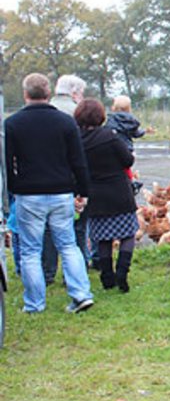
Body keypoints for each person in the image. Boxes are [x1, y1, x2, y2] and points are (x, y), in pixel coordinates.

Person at [5, 73, 94, 313]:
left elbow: (7, 161)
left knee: (31, 250)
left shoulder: (12, 124)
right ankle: (80, 293)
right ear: (48, 93)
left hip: (29, 193)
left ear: (25, 94)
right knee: (68, 245)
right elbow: (78, 160)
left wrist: (14, 189)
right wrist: (82, 191)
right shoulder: (65, 122)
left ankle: (34, 303)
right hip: (61, 191)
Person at [75, 98, 139, 293]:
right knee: (128, 233)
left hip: (96, 193)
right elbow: (127, 160)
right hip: (119, 190)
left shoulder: (78, 140)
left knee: (103, 238)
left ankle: (107, 276)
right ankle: (122, 269)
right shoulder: (109, 136)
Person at [43, 74, 91, 282]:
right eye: (81, 93)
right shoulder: (76, 114)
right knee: (76, 228)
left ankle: (48, 270)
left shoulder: (46, 109)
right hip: (69, 178)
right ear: (74, 92)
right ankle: (77, 269)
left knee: (48, 230)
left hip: (44, 179)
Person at [105, 95, 146, 192]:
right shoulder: (131, 120)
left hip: (114, 147)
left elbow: (106, 130)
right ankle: (131, 182)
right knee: (127, 166)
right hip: (128, 148)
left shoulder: (111, 119)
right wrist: (143, 132)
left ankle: (128, 183)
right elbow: (136, 133)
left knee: (118, 168)